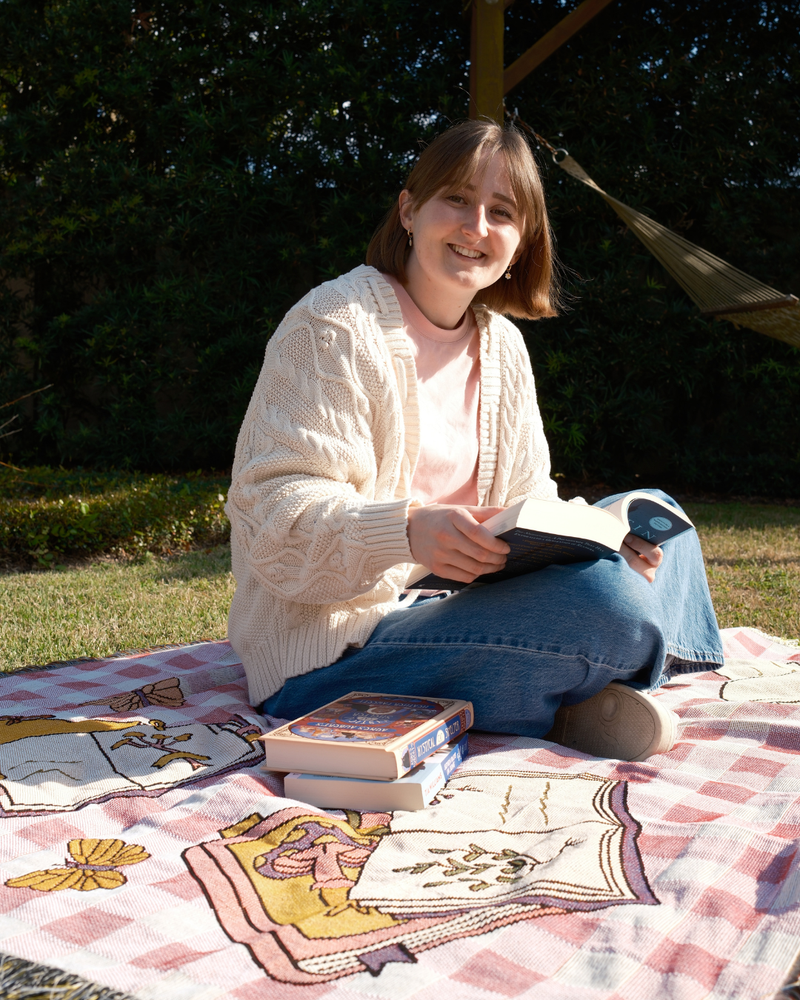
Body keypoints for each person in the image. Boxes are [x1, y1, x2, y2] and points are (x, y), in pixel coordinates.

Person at [225, 119, 723, 761]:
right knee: (608, 600)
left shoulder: (502, 346)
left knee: (660, 522)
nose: (476, 227)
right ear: (409, 210)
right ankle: (579, 682)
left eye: (502, 212)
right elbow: (272, 517)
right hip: (338, 654)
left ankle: (556, 685)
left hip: (466, 610)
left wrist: (599, 542)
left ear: (521, 242)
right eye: (457, 199)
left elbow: (529, 501)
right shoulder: (331, 327)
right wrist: (405, 531)